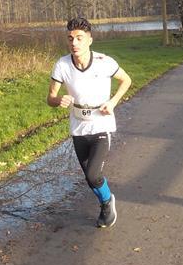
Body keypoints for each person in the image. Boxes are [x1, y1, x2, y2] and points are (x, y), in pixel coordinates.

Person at [47, 17, 132, 228]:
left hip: (101, 125)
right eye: (70, 38)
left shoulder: (105, 62)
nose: (74, 43)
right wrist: (59, 100)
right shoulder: (62, 64)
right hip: (78, 127)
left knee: (94, 174)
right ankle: (105, 201)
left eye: (79, 38)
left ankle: (107, 203)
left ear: (90, 40)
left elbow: (126, 80)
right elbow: (50, 98)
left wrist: (113, 102)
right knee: (89, 177)